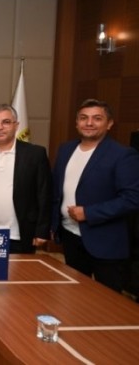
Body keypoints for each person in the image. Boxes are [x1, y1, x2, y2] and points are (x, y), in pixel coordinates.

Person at [52, 99, 139, 292]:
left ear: (109, 123)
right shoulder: (66, 149)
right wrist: (53, 224)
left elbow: (132, 198)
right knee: (74, 294)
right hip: (70, 236)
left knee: (106, 300)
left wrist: (89, 213)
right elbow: (56, 190)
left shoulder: (123, 154)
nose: (89, 123)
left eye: (97, 118)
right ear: (77, 123)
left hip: (105, 242)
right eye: (84, 118)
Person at [0, 104, 52, 253]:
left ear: (16, 125)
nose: (0, 127)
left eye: (6, 122)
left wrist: (42, 230)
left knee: (21, 269)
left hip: (21, 234)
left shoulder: (35, 154)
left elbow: (44, 194)